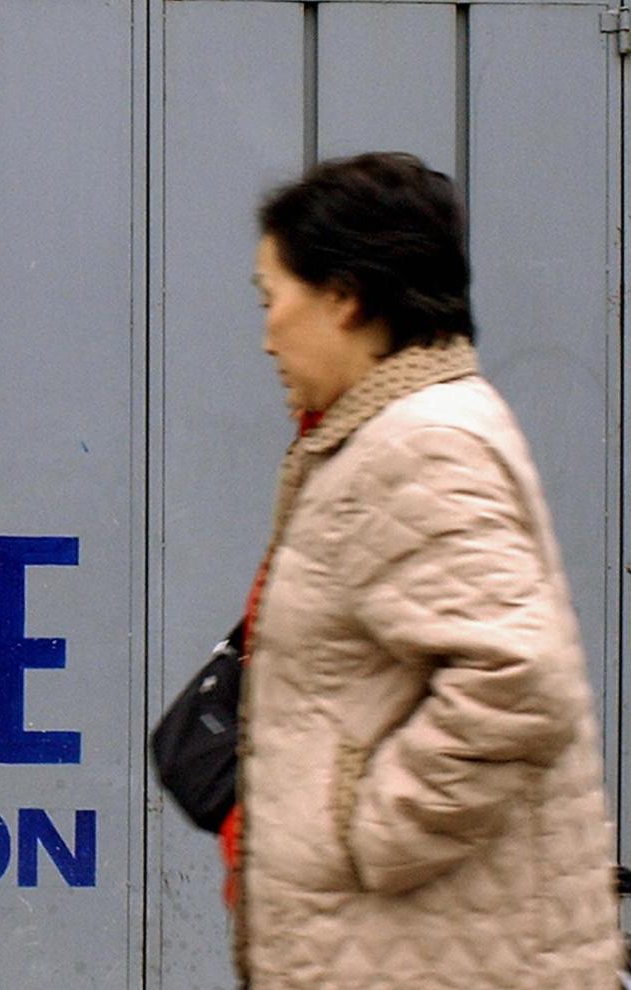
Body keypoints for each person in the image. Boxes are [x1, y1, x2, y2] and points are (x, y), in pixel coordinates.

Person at [234, 151, 620, 989]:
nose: (266, 332)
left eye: (274, 299)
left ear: (345, 296)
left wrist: (370, 829)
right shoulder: (394, 434)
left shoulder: (423, 445)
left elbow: (520, 679)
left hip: (432, 958)